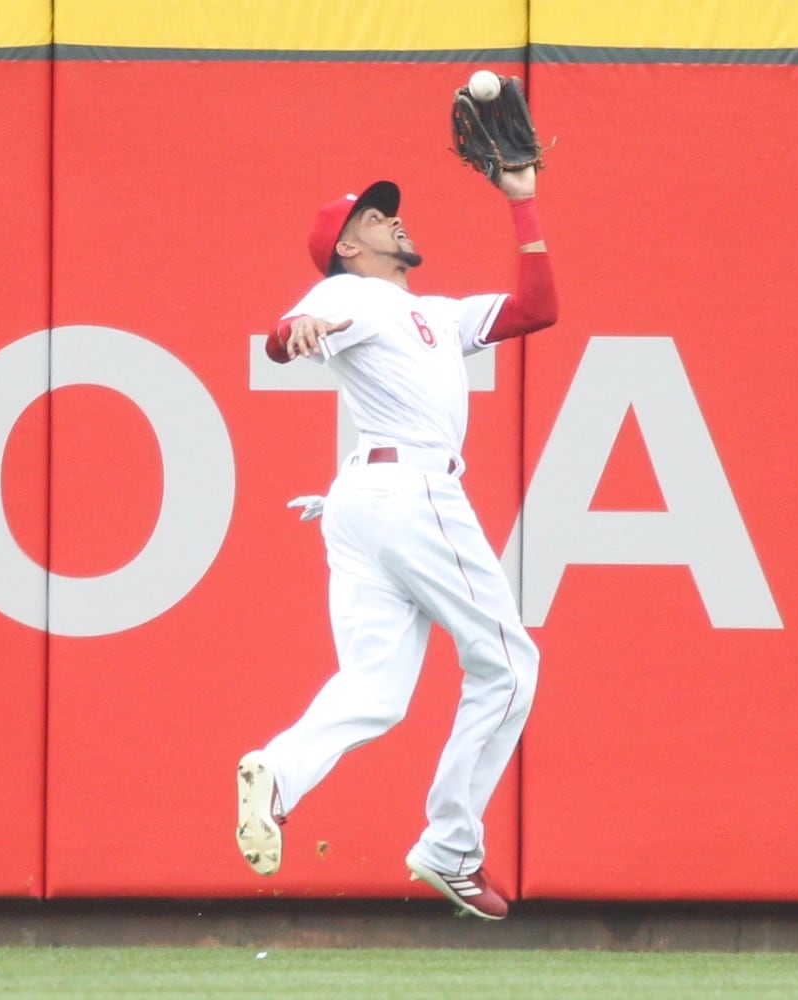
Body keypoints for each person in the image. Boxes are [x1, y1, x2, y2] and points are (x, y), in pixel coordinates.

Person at [237, 163, 557, 920]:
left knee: (375, 689)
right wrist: (297, 332)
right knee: (509, 664)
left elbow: (537, 309)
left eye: (388, 214)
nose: (393, 221)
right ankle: (450, 846)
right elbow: (283, 339)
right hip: (412, 492)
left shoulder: (438, 316)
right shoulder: (350, 291)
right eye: (375, 219)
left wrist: (522, 201)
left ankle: (278, 775)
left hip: (361, 501)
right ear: (348, 246)